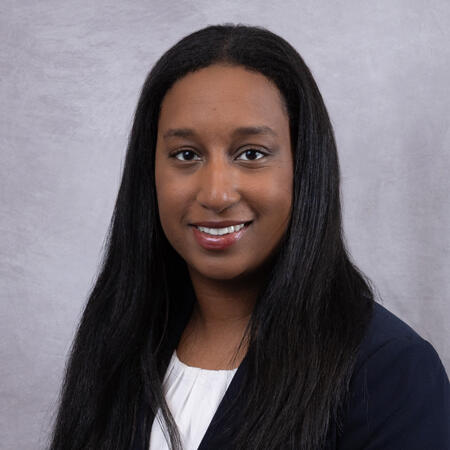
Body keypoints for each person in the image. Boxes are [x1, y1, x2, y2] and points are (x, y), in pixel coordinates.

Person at [49, 24, 450, 450]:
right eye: (186, 154)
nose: (216, 194)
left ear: (303, 168)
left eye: (251, 154)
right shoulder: (120, 342)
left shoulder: (391, 372)